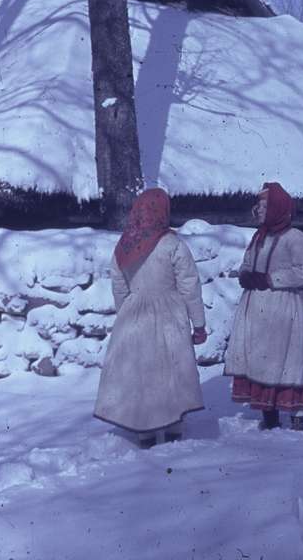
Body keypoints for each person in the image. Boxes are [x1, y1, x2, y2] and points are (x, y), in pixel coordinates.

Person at [94, 188, 207, 448]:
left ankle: (143, 428)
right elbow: (190, 285)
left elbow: (119, 284)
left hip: (134, 313)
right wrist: (198, 323)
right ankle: (173, 426)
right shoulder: (173, 244)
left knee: (141, 370)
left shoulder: (125, 244)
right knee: (171, 368)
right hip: (169, 311)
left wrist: (125, 313)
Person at [224, 182, 303, 431]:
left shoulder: (295, 238)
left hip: (282, 308)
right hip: (256, 309)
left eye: (264, 205)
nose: (259, 209)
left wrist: (270, 278)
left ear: (277, 207)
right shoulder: (259, 237)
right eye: (259, 205)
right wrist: (245, 274)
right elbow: (246, 262)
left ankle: (297, 415)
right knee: (262, 359)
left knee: (287, 360)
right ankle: (269, 414)